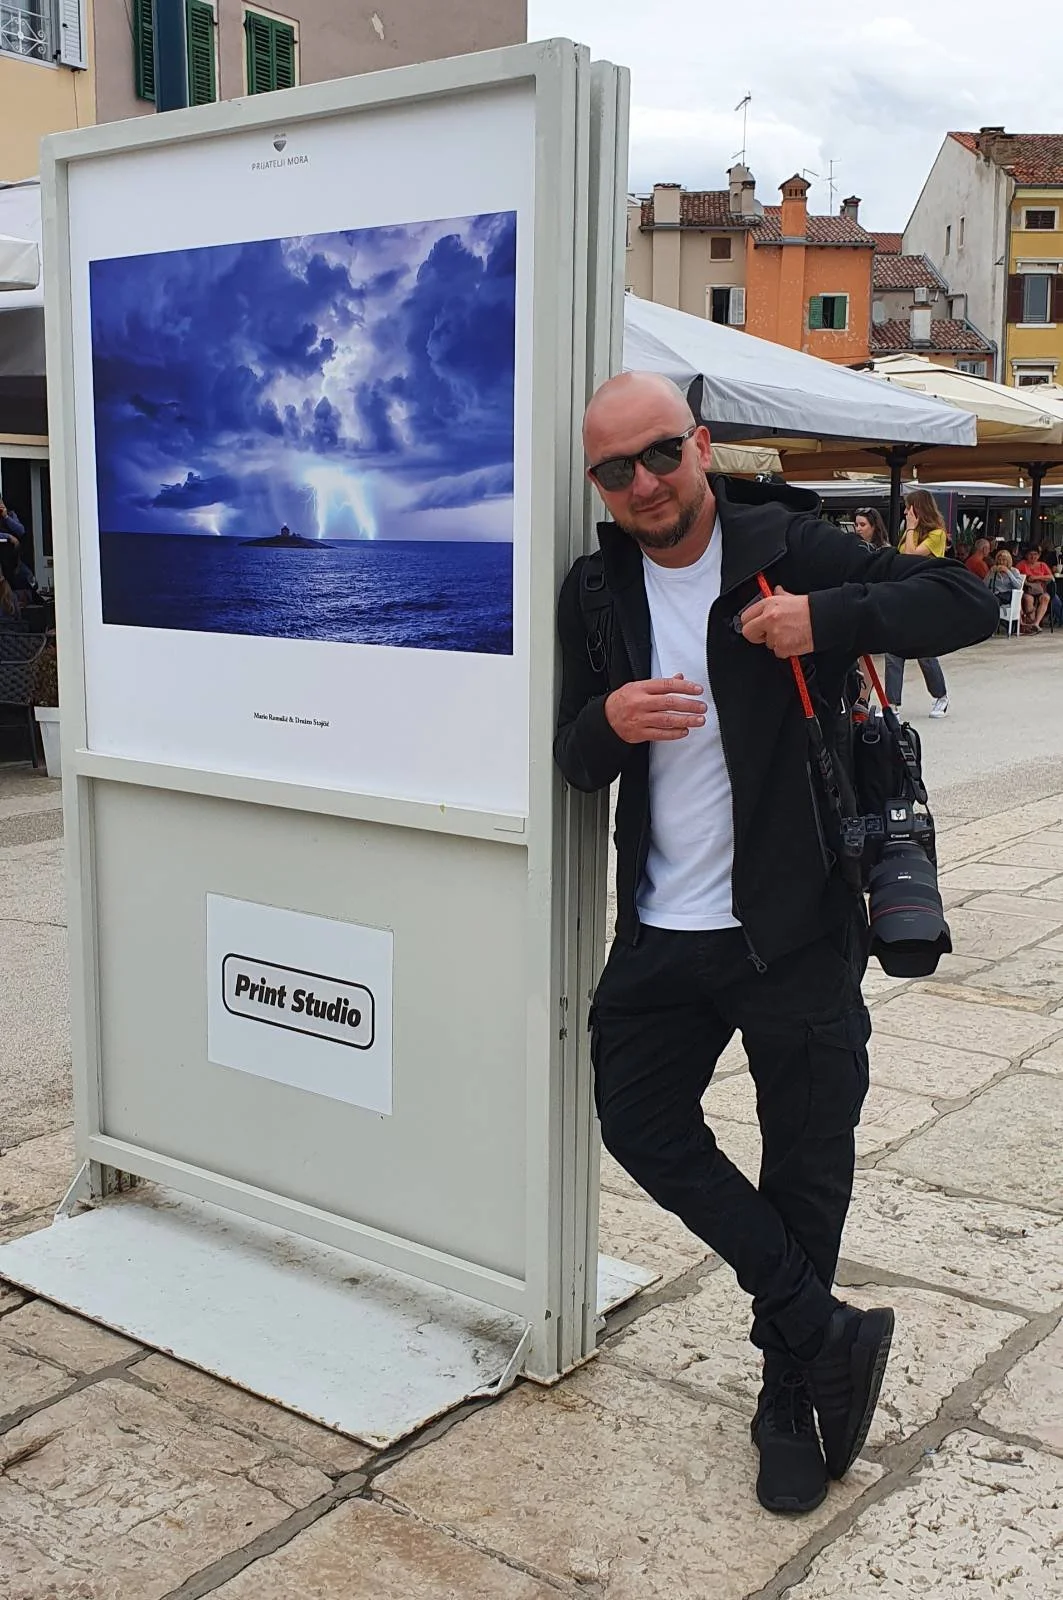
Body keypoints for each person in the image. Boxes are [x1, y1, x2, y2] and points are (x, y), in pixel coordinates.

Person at [554, 372, 997, 1517]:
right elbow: (571, 755)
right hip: (661, 930)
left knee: (807, 1165)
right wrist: (604, 722)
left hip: (796, 935)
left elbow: (965, 598)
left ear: (698, 446)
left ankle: (785, 1393)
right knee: (636, 1119)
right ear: (597, 487)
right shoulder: (595, 590)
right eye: (615, 470)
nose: (644, 484)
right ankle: (821, 1323)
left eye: (660, 455)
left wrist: (828, 618)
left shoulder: (786, 549)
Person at [885, 490, 951, 716]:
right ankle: (892, 703)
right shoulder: (909, 533)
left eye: (908, 507)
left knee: (924, 651)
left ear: (918, 509)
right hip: (903, 592)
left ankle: (940, 695)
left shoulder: (937, 534)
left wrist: (911, 527)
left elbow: (912, 557)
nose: (905, 512)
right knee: (893, 649)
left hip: (925, 595)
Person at [1016, 545, 1053, 631]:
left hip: (1040, 590)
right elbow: (1015, 575)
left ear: (1039, 555)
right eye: (1030, 554)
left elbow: (1051, 577)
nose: (1033, 557)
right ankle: (1031, 623)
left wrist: (1036, 577)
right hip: (1027, 590)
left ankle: (1036, 623)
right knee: (1028, 599)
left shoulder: (1042, 565)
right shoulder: (1022, 564)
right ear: (1026, 555)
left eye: (1035, 554)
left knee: (1046, 598)